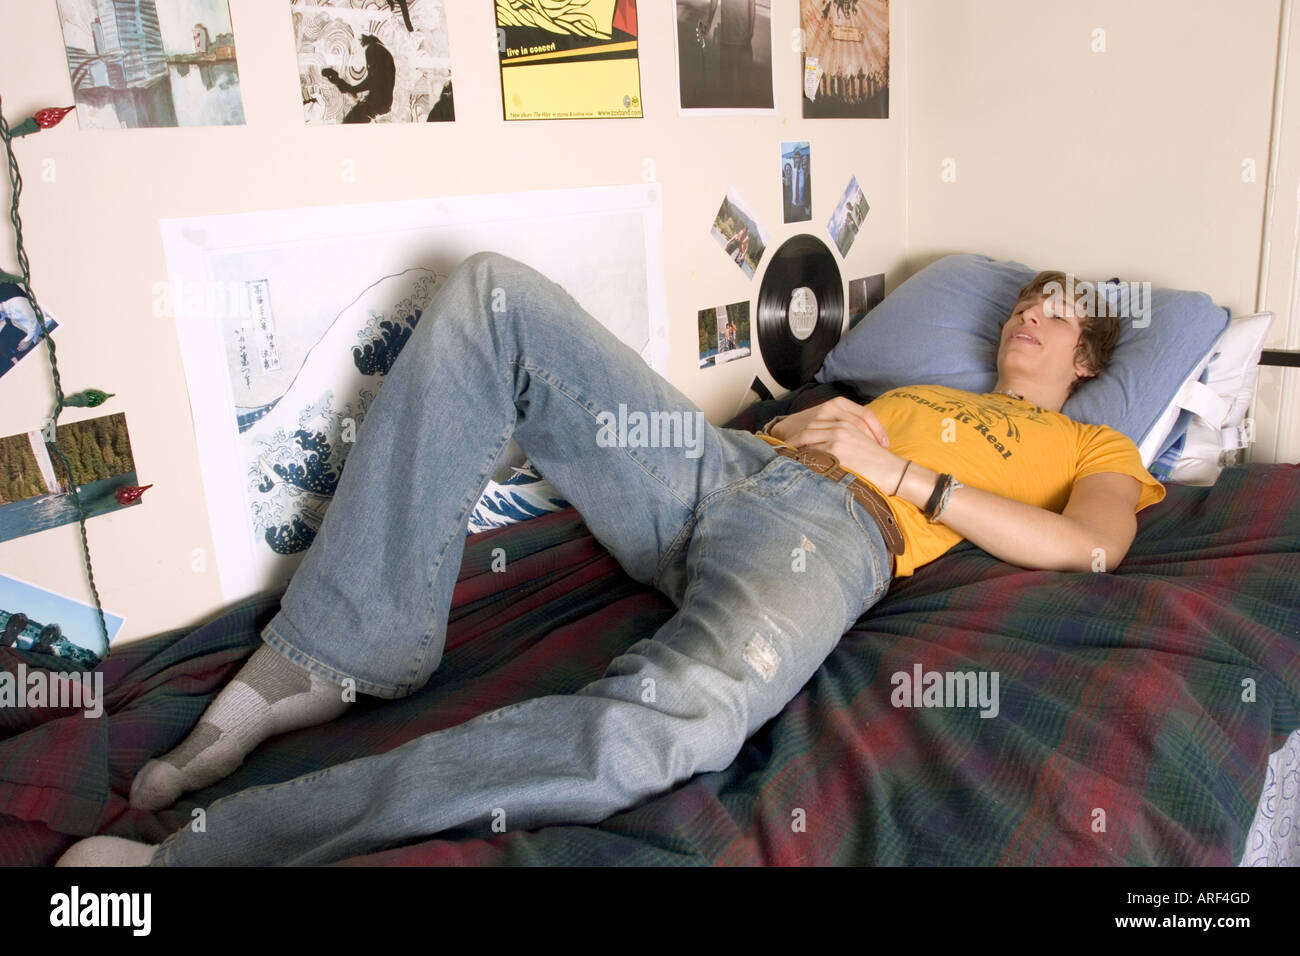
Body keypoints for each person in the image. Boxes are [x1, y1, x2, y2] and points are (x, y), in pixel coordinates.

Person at [55, 257, 1163, 866]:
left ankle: (202, 856)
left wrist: (901, 478)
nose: (1029, 316)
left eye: (1054, 312)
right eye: (1022, 301)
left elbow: (1093, 546)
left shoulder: (1091, 443)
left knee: (669, 725)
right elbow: (792, 429)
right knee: (494, 297)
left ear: (1088, 349)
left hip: (830, 536)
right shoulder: (919, 391)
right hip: (719, 466)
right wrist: (822, 422)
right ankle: (337, 651)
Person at [321, 34, 396, 124]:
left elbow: (368, 83)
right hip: (379, 104)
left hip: (375, 104)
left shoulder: (373, 49)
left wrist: (343, 84)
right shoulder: (379, 50)